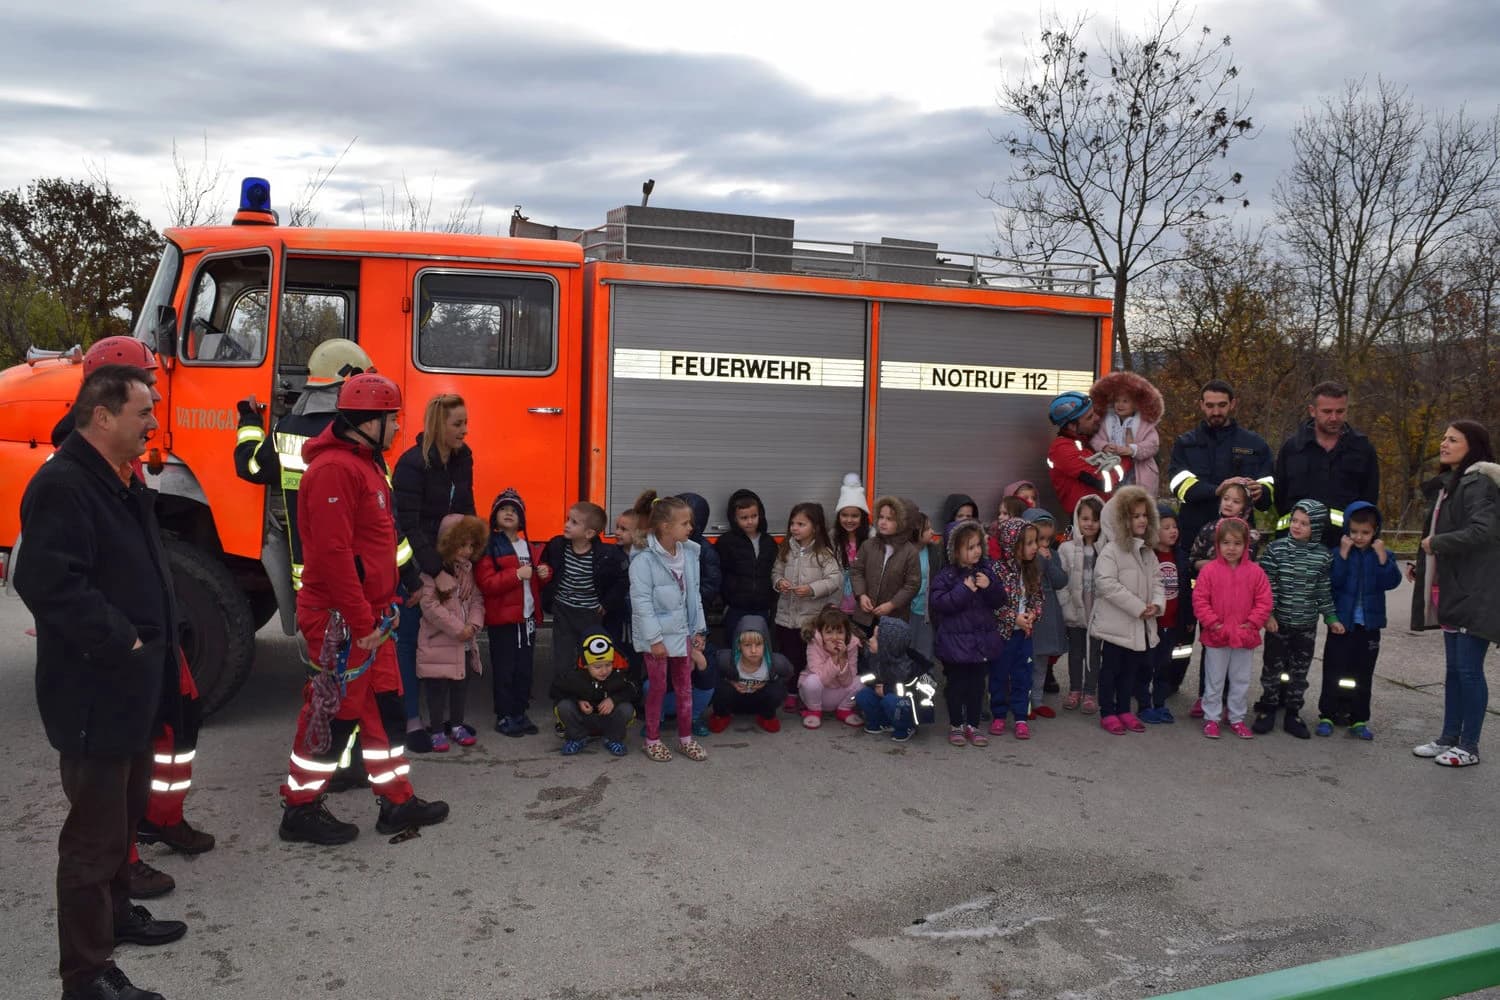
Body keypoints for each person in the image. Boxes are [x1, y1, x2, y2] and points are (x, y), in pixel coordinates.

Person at [17, 364, 186, 1000]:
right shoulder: (63, 484)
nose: (152, 423)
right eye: (143, 412)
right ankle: (86, 976)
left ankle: (117, 917)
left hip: (130, 688)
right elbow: (47, 581)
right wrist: (124, 638)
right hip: (94, 691)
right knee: (91, 843)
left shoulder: (119, 477)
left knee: (122, 820)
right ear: (103, 415)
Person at [48, 338, 214, 898]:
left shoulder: (122, 462)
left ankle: (160, 820)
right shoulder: (74, 474)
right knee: (109, 786)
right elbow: (61, 582)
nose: (156, 402)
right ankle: (126, 861)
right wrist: (125, 639)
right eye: (145, 389)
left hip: (149, 639)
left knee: (175, 726)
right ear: (106, 402)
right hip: (112, 662)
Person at [276, 373, 449, 845]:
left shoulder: (366, 465)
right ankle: (300, 809)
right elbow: (332, 557)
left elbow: (381, 538)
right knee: (332, 714)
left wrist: (402, 584)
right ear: (368, 423)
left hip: (370, 617)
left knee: (384, 708)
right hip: (345, 621)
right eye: (392, 419)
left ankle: (397, 800)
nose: (397, 428)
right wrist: (361, 621)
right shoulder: (335, 471)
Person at [231, 338, 377, 610]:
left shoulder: (286, 427)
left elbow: (251, 466)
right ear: (347, 377)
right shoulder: (359, 432)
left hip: (309, 579)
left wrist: (250, 421)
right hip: (357, 572)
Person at [1409, 421, 1500, 768]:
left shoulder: (1479, 483)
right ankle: (1449, 738)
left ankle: (1469, 746)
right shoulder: (1454, 483)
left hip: (1476, 592)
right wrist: (1424, 566)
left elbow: (1482, 531)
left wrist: (1437, 544)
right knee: (1454, 671)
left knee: (1469, 671)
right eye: (1444, 438)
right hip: (1453, 589)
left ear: (1472, 446)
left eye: (1452, 440)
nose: (1443, 444)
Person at [392, 393, 476, 752]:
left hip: (452, 564)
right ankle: (412, 720)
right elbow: (407, 525)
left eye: (465, 423)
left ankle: (447, 721)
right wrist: (433, 571)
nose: (464, 430)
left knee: (446, 639)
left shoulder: (463, 457)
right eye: (457, 424)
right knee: (412, 641)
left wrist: (468, 564)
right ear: (438, 424)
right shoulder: (411, 465)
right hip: (418, 564)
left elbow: (467, 509)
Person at [629, 491, 709, 763]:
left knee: (685, 687)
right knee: (658, 688)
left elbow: (694, 595)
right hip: (658, 639)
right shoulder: (643, 560)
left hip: (682, 633)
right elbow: (641, 603)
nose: (691, 527)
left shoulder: (689, 553)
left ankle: (685, 739)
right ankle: (652, 740)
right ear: (665, 526)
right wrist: (654, 640)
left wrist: (699, 630)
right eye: (685, 523)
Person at [1252, 501, 1343, 739]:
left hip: (1306, 625)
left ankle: (1293, 713)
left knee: (1299, 672)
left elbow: (1323, 590)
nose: (1297, 526)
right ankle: (1268, 708)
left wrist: (1331, 617)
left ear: (1317, 527)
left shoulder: (1323, 556)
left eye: (1305, 523)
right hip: (1278, 623)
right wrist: (1268, 614)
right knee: (1272, 668)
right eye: (1295, 520)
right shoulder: (1276, 550)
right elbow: (1266, 585)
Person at [1320, 502, 1402, 739]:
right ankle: (1327, 714)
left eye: (1365, 532)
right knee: (1334, 669)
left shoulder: (1383, 555)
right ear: (1347, 529)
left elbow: (1391, 582)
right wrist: (1343, 556)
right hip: (1341, 624)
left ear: (1375, 531)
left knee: (1363, 674)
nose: (1359, 537)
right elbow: (1333, 582)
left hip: (1369, 626)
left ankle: (1358, 718)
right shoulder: (1338, 553)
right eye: (1354, 531)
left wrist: (1383, 557)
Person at [541, 502, 630, 714]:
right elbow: (546, 562)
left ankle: (590, 701)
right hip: (563, 611)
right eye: (568, 519)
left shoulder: (606, 554)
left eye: (574, 522)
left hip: (590, 615)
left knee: (589, 658)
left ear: (589, 533)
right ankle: (563, 707)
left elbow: (623, 580)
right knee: (563, 660)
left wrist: (606, 604)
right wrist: (544, 569)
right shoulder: (557, 545)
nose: (567, 525)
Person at [1090, 486, 1165, 736]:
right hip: (1116, 626)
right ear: (1122, 520)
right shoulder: (1111, 551)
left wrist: (1156, 604)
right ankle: (1107, 711)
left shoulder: (1148, 552)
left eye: (1145, 515)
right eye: (1135, 516)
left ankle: (1123, 709)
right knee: (1110, 670)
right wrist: (1138, 607)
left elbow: (1158, 581)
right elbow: (1105, 583)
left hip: (1139, 627)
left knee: (1130, 671)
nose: (1142, 520)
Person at [475, 488, 549, 736]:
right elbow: (487, 583)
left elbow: (535, 583)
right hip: (503, 621)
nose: (509, 513)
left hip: (526, 619)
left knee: (524, 669)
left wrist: (544, 574)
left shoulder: (529, 546)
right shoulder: (489, 547)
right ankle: (504, 715)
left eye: (514, 510)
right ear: (494, 516)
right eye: (504, 509)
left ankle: (520, 712)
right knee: (504, 669)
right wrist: (517, 574)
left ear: (522, 519)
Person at [1193, 518, 1273, 741]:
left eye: (1237, 543)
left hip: (1244, 636)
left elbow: (1264, 601)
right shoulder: (1209, 571)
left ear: (1246, 545)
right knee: (1214, 680)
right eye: (1226, 543)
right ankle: (1212, 718)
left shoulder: (1256, 572)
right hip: (1217, 635)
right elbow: (1200, 600)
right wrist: (1212, 623)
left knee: (1240, 680)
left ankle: (1237, 718)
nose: (1231, 548)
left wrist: (1253, 623)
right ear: (1218, 544)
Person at [930, 518, 1007, 747]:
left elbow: (1000, 600)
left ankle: (973, 725)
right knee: (956, 686)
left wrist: (990, 587)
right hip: (955, 645)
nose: (976, 551)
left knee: (977, 687)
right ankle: (956, 724)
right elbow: (939, 603)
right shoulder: (946, 576)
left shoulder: (986, 571)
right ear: (955, 551)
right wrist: (964, 590)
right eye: (970, 547)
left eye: (978, 545)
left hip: (981, 643)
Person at [1274, 382, 1380, 546]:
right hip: (1296, 546)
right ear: (1312, 411)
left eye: (1340, 411)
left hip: (1345, 546)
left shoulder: (1362, 449)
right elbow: (1280, 496)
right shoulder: (1292, 448)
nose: (1334, 418)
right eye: (1327, 411)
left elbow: (1369, 499)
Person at [416, 514, 488, 751]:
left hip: (464, 643)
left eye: (471, 546)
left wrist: (474, 625)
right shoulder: (432, 574)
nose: (467, 551)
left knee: (460, 686)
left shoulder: (468, 572)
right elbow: (429, 606)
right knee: (436, 689)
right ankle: (437, 730)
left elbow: (477, 600)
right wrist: (459, 629)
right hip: (437, 644)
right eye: (462, 545)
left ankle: (456, 725)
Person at [771, 502, 843, 718]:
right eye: (792, 523)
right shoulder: (786, 549)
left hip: (810, 620)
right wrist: (780, 582)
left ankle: (808, 695)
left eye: (801, 524)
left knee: (809, 659)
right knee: (789, 657)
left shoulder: (823, 554)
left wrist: (812, 589)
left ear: (816, 527)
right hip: (786, 617)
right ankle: (791, 693)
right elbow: (775, 572)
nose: (795, 528)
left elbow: (835, 579)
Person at [989, 518, 1042, 739]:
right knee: (999, 675)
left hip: (1024, 635)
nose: (1035, 547)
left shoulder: (1031, 569)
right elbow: (992, 604)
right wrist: (1014, 619)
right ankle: (999, 714)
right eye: (1029, 543)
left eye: (1035, 542)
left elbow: (1037, 597)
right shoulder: (997, 570)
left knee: (1023, 675)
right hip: (1002, 636)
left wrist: (1033, 614)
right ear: (1012, 545)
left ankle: (1021, 716)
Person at [1046, 391, 1131, 519]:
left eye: (1094, 412)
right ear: (1072, 426)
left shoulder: (1084, 441)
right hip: (1086, 523)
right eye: (1089, 417)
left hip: (1099, 517)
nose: (1097, 418)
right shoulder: (1062, 450)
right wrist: (1127, 456)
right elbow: (1103, 482)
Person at [1138, 503, 1187, 724]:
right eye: (1166, 527)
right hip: (1152, 623)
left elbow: (1186, 591)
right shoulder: (1147, 557)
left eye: (1174, 526)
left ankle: (1160, 704)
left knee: (1164, 667)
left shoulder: (1181, 557)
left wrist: (1188, 619)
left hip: (1172, 624)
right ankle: (1144, 704)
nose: (1172, 531)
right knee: (1146, 665)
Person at [555, 633, 638, 757]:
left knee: (627, 708)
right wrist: (578, 701)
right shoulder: (575, 676)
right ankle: (577, 738)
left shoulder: (618, 674)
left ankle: (613, 739)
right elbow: (556, 691)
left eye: (608, 665)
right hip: (583, 720)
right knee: (564, 706)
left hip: (609, 720)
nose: (604, 671)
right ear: (586, 665)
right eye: (597, 667)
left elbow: (634, 690)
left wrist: (613, 700)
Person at [706, 615, 792, 733]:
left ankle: (767, 716)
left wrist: (767, 683)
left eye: (758, 645)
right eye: (747, 645)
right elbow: (711, 676)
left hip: (759, 702)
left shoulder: (778, 663)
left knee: (777, 690)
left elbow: (788, 675)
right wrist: (730, 682)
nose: (753, 650)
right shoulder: (725, 660)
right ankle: (722, 714)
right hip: (734, 702)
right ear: (738, 645)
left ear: (766, 645)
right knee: (719, 687)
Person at [1059, 495, 1105, 714]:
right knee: (1076, 653)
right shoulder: (1066, 548)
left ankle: (1090, 692)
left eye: (1095, 519)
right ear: (1077, 519)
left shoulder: (1105, 549)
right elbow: (1061, 582)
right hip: (1075, 612)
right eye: (1085, 518)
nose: (1090, 524)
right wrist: (1065, 606)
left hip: (1097, 613)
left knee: (1094, 654)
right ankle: (1075, 689)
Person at [1021, 507, 1067, 718]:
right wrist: (1040, 560)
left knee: (1041, 661)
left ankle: (1037, 700)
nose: (1044, 545)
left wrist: (1049, 561)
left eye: (1049, 540)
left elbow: (1061, 581)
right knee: (1025, 662)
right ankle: (1023, 703)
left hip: (1048, 615)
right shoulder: (1024, 558)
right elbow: (1029, 580)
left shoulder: (1052, 555)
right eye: (1040, 539)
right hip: (1029, 614)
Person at [850, 496, 922, 630]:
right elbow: (856, 571)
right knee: (863, 642)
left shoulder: (910, 552)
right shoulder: (868, 545)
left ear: (902, 522)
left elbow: (912, 585)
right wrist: (861, 595)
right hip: (864, 616)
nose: (883, 522)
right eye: (881, 517)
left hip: (893, 619)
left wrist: (892, 604)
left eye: (890, 519)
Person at [715, 489, 777, 643]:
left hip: (762, 607)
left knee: (759, 647)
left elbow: (774, 571)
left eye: (754, 516)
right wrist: (725, 599)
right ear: (734, 519)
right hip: (736, 608)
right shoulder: (726, 542)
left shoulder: (769, 542)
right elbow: (720, 573)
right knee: (735, 645)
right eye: (744, 518)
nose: (750, 521)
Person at [1090, 370, 1164, 496]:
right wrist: (1104, 446)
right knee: (1114, 500)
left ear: (1135, 405)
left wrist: (1132, 450)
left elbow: (1152, 445)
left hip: (1138, 472)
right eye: (1117, 401)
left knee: (1136, 502)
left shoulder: (1144, 423)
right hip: (1113, 469)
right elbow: (1095, 439)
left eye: (1125, 401)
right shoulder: (1106, 422)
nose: (1120, 405)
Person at [797, 607, 865, 729]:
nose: (834, 637)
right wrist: (834, 657)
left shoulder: (852, 644)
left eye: (840, 632)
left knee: (861, 682)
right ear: (820, 632)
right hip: (817, 694)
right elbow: (822, 679)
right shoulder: (814, 642)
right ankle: (814, 711)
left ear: (847, 633)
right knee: (812, 681)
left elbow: (848, 681)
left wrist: (842, 657)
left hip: (839, 692)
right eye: (829, 632)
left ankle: (844, 709)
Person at [855, 616, 917, 741]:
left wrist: (887, 690)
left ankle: (905, 727)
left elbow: (910, 690)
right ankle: (880, 722)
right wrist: (873, 684)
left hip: (900, 701)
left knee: (891, 701)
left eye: (875, 638)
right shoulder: (873, 657)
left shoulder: (906, 667)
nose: (870, 640)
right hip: (880, 692)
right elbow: (866, 675)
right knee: (863, 695)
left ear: (888, 646)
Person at [832, 474, 872, 613]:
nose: (849, 520)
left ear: (863, 517)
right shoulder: (832, 539)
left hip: (864, 605)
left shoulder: (872, 539)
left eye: (854, 516)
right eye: (844, 515)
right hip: (836, 605)